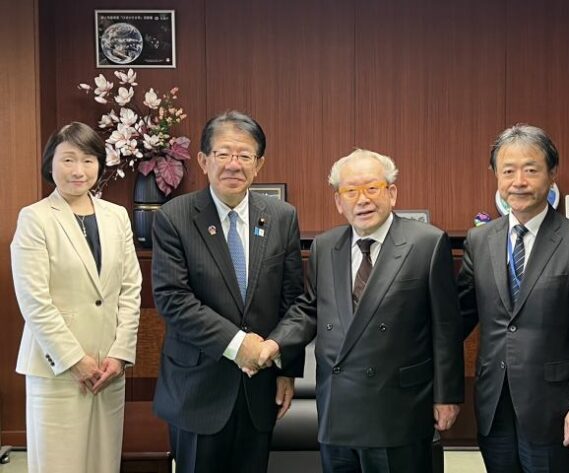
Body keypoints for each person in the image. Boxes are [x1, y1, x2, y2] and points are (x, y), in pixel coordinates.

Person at [258, 149, 464, 473]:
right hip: (338, 408)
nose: (362, 199)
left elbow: (446, 327)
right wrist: (275, 343)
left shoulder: (427, 242)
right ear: (338, 202)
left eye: (372, 188)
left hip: (398, 407)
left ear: (391, 193)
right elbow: (309, 309)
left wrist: (447, 395)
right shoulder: (326, 246)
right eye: (351, 191)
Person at [457, 124, 569, 473]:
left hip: (555, 409)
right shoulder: (479, 241)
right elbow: (457, 319)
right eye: (508, 171)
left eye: (531, 170)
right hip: (494, 405)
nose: (519, 182)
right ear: (495, 176)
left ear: (552, 173)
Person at [151, 111, 304, 472]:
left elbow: (294, 299)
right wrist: (239, 345)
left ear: (258, 164)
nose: (234, 164)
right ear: (204, 160)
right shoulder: (174, 217)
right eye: (223, 153)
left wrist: (287, 370)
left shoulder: (282, 216)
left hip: (259, 387)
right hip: (196, 389)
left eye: (244, 155)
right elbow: (173, 299)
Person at [11, 122, 142, 473]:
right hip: (58, 368)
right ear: (50, 163)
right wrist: (73, 359)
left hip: (108, 369)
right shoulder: (35, 218)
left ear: (99, 164)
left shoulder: (116, 217)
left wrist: (120, 354)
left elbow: (130, 289)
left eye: (87, 160)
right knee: (59, 464)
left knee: (104, 463)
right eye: (68, 160)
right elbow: (34, 300)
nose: (78, 170)